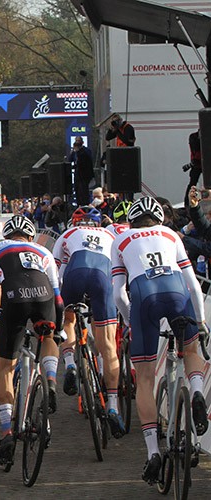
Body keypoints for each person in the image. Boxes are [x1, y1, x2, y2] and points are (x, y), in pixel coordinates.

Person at [111, 197, 209, 484]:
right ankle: (198, 391)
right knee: (190, 350)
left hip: (144, 298)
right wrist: (200, 322)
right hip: (177, 292)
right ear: (159, 219)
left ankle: (153, 451)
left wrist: (132, 322)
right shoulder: (170, 234)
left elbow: (119, 295)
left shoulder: (121, 239)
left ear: (132, 221)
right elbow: (193, 284)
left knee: (144, 378)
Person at [0, 215, 63, 467]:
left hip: (14, 300)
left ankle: (7, 433)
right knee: (48, 336)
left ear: (7, 236)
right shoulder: (43, 251)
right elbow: (58, 300)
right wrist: (58, 331)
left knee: (5, 368)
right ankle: (50, 381)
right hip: (44, 297)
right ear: (30, 237)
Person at [52, 206, 125, 438]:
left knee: (69, 321)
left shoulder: (67, 234)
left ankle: (71, 363)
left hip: (75, 272)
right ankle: (112, 403)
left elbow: (55, 270)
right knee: (108, 347)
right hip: (103, 277)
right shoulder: (111, 234)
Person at [69, 136, 95, 206]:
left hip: (84, 175)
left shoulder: (85, 151)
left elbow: (85, 161)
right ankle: (78, 204)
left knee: (83, 191)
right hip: (77, 174)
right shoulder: (75, 152)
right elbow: (70, 160)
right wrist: (72, 153)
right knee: (77, 190)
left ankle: (85, 204)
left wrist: (78, 152)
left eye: (78, 141)